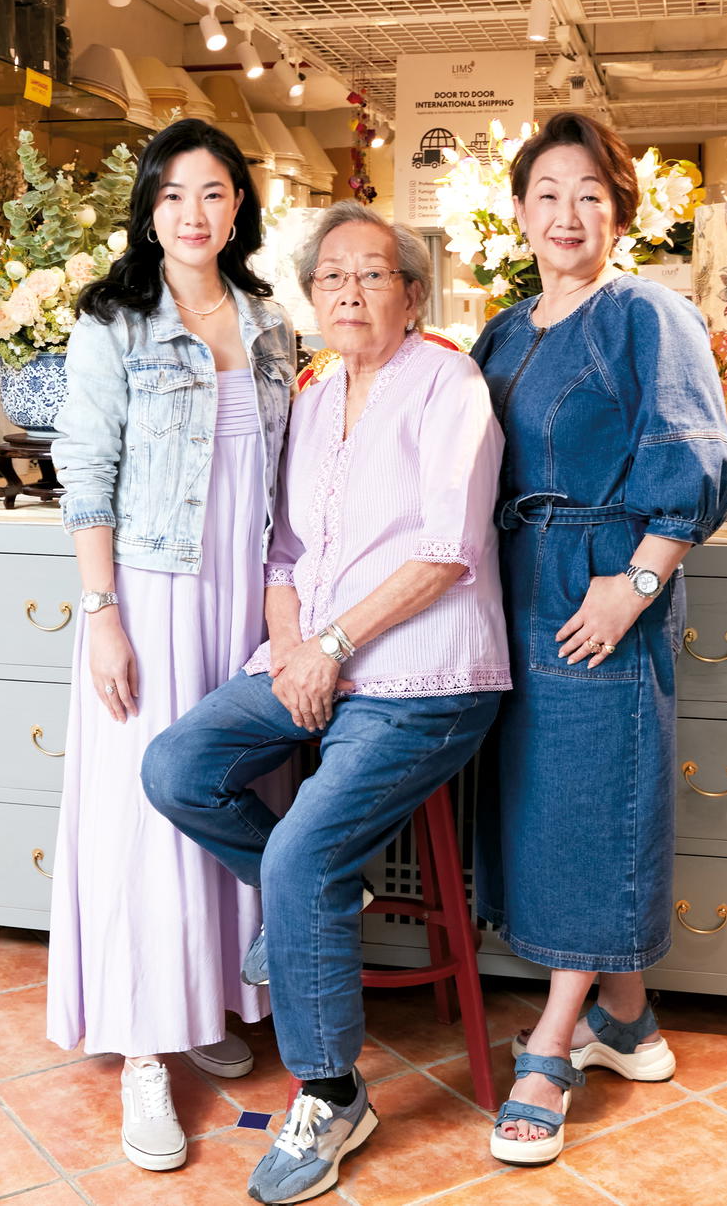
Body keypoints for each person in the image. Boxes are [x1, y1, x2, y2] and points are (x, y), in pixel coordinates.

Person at [141, 201, 510, 1205]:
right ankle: (313, 894)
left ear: (412, 294)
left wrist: (331, 648)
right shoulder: (308, 395)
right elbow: (285, 553)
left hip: (426, 679)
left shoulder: (450, 384)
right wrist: (295, 647)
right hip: (316, 659)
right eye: (333, 278)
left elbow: (447, 549)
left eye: (373, 275)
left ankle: (332, 1091)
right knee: (174, 768)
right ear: (314, 299)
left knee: (303, 852)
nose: (350, 293)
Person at [470, 111, 727, 1166]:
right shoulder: (504, 327)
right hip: (511, 586)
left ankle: (550, 1046)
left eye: (587, 192)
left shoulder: (646, 315)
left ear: (618, 210)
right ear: (520, 211)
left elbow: (694, 462)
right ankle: (624, 1018)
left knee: (593, 800)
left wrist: (634, 584)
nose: (565, 213)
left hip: (598, 587)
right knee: (539, 800)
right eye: (545, 192)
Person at [47, 118, 296, 1171]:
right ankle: (144, 1053)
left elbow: (288, 477)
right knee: (139, 817)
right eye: (172, 196)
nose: (193, 214)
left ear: (238, 206)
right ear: (147, 212)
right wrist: (100, 615)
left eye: (213, 194)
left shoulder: (272, 321)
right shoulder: (114, 322)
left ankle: (205, 1004)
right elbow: (85, 471)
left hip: (246, 599)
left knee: (229, 797)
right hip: (149, 595)